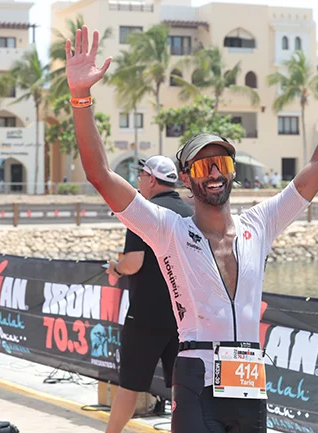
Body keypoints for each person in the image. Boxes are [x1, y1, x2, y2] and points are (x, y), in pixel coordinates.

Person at [66, 25, 318, 433]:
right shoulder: (168, 230)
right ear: (187, 181)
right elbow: (100, 175)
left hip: (249, 381)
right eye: (202, 167)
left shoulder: (260, 224)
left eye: (222, 164)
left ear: (233, 174)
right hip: (194, 377)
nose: (214, 173)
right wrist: (81, 98)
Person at [104, 156, 193, 433]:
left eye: (141, 175)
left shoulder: (143, 212)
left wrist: (115, 270)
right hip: (184, 318)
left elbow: (134, 262)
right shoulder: (191, 214)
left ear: (152, 179)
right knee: (184, 389)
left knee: (129, 386)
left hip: (145, 315)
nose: (138, 180)